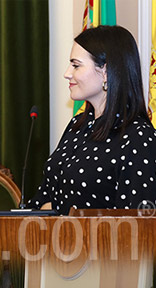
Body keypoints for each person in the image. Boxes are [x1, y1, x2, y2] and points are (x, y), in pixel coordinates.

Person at [29, 25, 156, 214]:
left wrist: (58, 211)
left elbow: (137, 223)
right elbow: (44, 197)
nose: (67, 73)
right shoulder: (77, 126)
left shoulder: (138, 138)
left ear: (105, 71)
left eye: (76, 65)